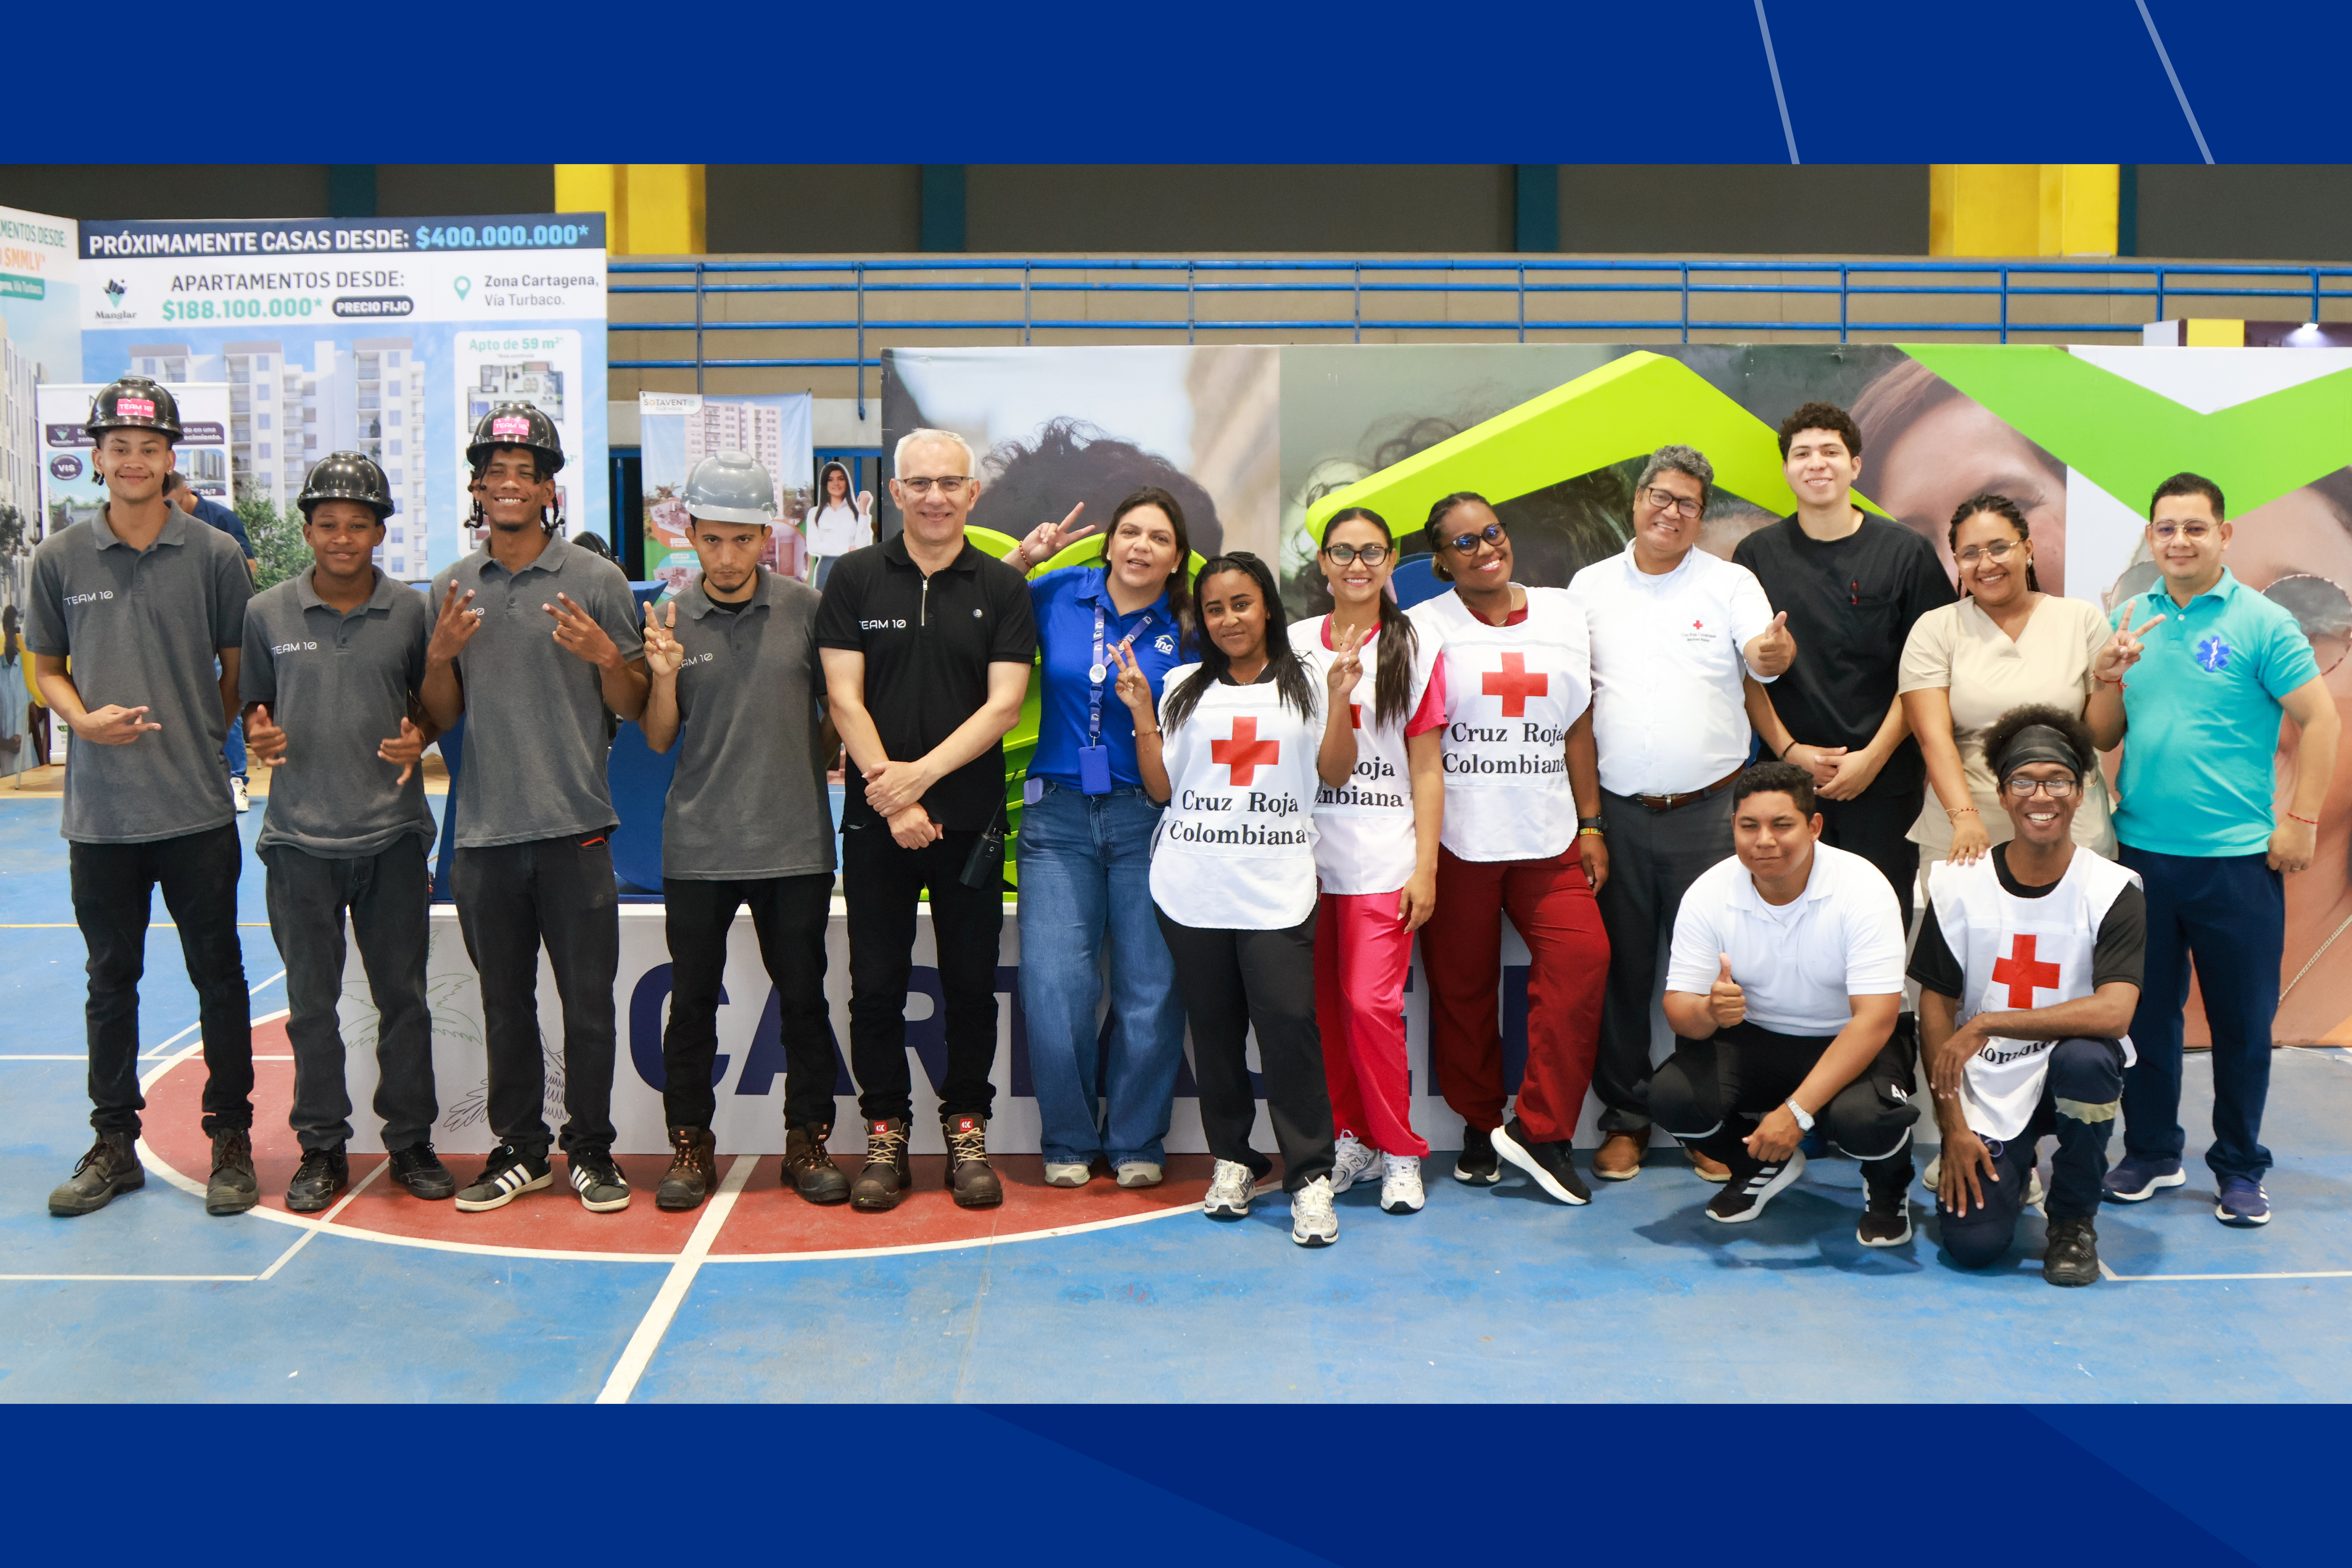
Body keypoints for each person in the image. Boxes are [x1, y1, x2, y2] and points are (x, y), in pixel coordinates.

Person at [32, 377, 258, 1218]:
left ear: (171, 458)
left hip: (195, 810)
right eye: (119, 448)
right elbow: (48, 668)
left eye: (150, 448)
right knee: (110, 978)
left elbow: (236, 668)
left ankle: (229, 1137)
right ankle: (113, 1143)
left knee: (219, 977)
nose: (134, 461)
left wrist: (205, 730)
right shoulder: (59, 559)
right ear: (98, 458)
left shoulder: (212, 556)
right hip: (101, 818)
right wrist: (84, 725)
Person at [2090, 473, 2340, 1226]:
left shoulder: (2263, 623)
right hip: (2141, 858)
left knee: (2238, 1024)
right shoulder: (2131, 618)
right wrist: (2104, 677)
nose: (2179, 541)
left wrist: (2300, 819)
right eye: (2165, 528)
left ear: (2222, 535)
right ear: (2150, 537)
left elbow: (2319, 722)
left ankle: (2237, 1166)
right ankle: (2153, 1151)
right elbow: (2102, 733)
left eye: (2194, 527)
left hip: (2236, 862)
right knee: (2146, 1020)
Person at [421, 402, 650, 1215]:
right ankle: (520, 1150)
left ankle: (591, 1150)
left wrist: (602, 657)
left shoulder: (595, 581)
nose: (510, 485)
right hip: (483, 835)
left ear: (549, 489)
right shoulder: (450, 585)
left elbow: (631, 703)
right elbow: (439, 716)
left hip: (578, 830)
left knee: (589, 1005)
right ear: (478, 489)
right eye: (496, 474)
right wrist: (441, 656)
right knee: (503, 1004)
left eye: (526, 473)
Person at [817, 428, 1036, 1213]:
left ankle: (966, 1133)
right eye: (920, 483)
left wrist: (922, 784)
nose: (936, 497)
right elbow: (843, 697)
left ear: (972, 494)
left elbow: (1003, 705)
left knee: (971, 987)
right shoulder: (852, 578)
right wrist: (894, 796)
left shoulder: (1003, 590)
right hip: (878, 823)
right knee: (873, 986)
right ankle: (884, 1137)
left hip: (968, 824)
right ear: (896, 493)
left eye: (950, 483)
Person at [1571, 445, 1793, 1186]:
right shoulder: (1589, 586)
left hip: (1710, 815)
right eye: (1660, 497)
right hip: (1620, 815)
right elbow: (1578, 705)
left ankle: (1706, 1120)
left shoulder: (1731, 582)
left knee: (1709, 977)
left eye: (1687, 504)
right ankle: (1627, 1119)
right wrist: (1590, 820)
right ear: (1637, 501)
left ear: (1701, 515)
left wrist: (1771, 651)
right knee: (1622, 973)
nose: (1671, 512)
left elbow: (1761, 660)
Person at [238, 452, 447, 1210]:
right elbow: (253, 710)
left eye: (358, 524)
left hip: (391, 838)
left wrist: (417, 735)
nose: (342, 537)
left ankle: (411, 1141)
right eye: (328, 523)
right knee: (312, 1007)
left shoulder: (413, 611)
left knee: (404, 999)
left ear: (380, 532)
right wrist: (257, 736)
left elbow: (434, 704)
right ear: (306, 529)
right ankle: (321, 1147)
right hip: (298, 842)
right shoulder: (267, 613)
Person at [639, 451, 841, 1210]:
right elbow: (660, 738)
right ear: (688, 533)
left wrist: (793, 768)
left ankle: (806, 1141)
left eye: (742, 539)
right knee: (690, 1005)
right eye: (712, 539)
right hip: (697, 849)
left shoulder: (806, 610)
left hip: (794, 848)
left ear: (767, 538)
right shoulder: (667, 617)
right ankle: (689, 1146)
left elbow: (831, 726)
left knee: (804, 1003)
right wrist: (661, 676)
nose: (726, 556)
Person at [1120, 551, 1339, 1245]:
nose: (1227, 619)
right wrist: (1139, 712)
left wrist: (1345, 697)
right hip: (1193, 884)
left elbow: (1334, 771)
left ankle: (1309, 1177)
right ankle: (1233, 1159)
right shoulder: (1182, 684)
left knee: (1288, 1030)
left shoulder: (1311, 682)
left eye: (1240, 603)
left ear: (1266, 605)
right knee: (1213, 1035)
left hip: (1276, 885)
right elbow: (1161, 789)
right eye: (1213, 608)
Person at [1407, 492, 1610, 1206]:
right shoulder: (1422, 627)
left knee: (1584, 958)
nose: (1483, 548)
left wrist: (1591, 823)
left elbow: (1577, 728)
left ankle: (1541, 1128)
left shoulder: (1562, 613)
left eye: (1490, 532)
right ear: (1439, 561)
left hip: (1547, 834)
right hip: (1458, 837)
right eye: (1462, 543)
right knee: (1462, 990)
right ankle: (1477, 1125)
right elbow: (1415, 740)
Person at [1000, 488, 1192, 1190]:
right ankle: (1069, 1139)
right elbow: (979, 604)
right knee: (1056, 986)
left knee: (1151, 986)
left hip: (1150, 815)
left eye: (1160, 538)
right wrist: (1024, 556)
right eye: (1130, 533)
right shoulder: (1058, 592)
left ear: (1177, 559)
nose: (1142, 546)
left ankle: (1137, 1135)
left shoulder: (1190, 621)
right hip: (1055, 818)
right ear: (1108, 543)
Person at [1914, 704, 2146, 1285]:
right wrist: (1953, 1128)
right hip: (1988, 1081)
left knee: (2089, 1058)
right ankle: (2008, 1168)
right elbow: (1936, 1009)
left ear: (2082, 788)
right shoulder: (1958, 886)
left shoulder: (2112, 888)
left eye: (2057, 780)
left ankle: (2072, 1219)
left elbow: (2115, 1011)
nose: (2040, 795)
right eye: (2024, 780)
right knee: (1973, 1246)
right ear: (2002, 791)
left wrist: (1991, 1021)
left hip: (2067, 1068)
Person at [1652, 761, 1915, 1232]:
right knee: (1672, 1098)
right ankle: (1757, 1166)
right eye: (1749, 825)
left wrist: (1796, 1112)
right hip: (1759, 1037)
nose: (1764, 840)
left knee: (1868, 1122)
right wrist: (1709, 1011)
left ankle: (1889, 1185)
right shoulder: (1708, 892)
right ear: (1733, 826)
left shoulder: (1863, 887)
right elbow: (1679, 1011)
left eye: (1782, 824)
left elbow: (1875, 1019)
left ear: (1814, 826)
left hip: (1849, 1036)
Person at [1736, 402, 1956, 932]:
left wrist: (1873, 758)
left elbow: (1927, 674)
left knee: (1876, 920)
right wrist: (1790, 753)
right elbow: (1742, 675)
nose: (1817, 463)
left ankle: (1874, 1019)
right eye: (1802, 453)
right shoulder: (1756, 555)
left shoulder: (1905, 552)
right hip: (1785, 779)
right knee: (1785, 921)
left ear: (1855, 465)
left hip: (1883, 781)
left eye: (1831, 451)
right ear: (1787, 469)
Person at [1294, 506, 1446, 1215]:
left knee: (1369, 1005)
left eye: (1371, 552)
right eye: (1343, 552)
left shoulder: (1417, 644)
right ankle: (1351, 1135)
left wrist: (1426, 867)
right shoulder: (1292, 645)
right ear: (1322, 563)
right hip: (1297, 857)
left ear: (1390, 563)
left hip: (1382, 859)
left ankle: (1402, 1149)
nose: (1357, 565)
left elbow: (1425, 769)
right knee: (1323, 1011)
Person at [1900, 493, 2116, 880]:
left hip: (2069, 824)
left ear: (2028, 549)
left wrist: (2108, 680)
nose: (1986, 563)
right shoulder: (1935, 629)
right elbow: (1933, 738)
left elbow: (2103, 736)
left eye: (2000, 547)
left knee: (2074, 939)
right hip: (1968, 830)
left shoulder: (2080, 620)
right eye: (1970, 553)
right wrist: (1964, 819)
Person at [166, 469, 257, 813]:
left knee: (225, 696)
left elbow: (249, 565)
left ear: (185, 492)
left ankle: (235, 779)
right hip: (176, 626)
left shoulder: (221, 520)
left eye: (171, 503)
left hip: (217, 625)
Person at [805, 459, 874, 587]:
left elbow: (864, 547)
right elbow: (814, 547)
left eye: (841, 479)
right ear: (825, 484)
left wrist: (864, 510)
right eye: (831, 480)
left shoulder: (858, 511)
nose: (836, 483)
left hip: (852, 568)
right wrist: (847, 550)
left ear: (846, 482)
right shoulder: (815, 513)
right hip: (827, 569)